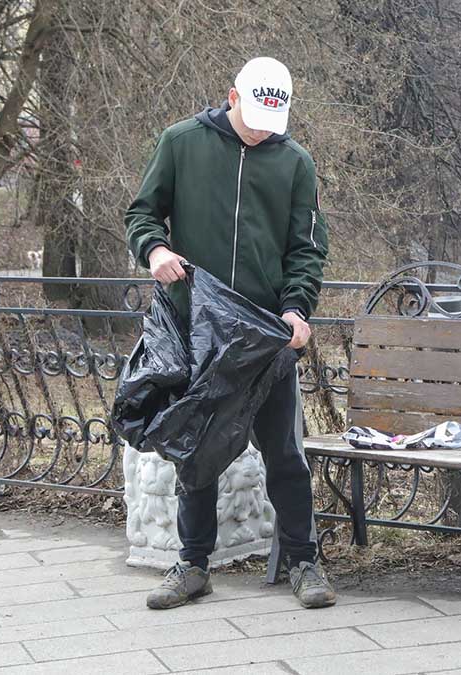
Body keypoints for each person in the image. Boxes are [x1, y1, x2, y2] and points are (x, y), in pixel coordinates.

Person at [125, 57, 334, 611]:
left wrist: (297, 308)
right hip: (198, 328)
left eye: (273, 122)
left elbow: (307, 248)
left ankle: (303, 561)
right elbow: (142, 214)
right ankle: (193, 565)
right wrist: (155, 250)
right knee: (196, 450)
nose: (263, 130)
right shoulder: (181, 143)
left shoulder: (295, 163)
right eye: (256, 117)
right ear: (233, 97)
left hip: (266, 334)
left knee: (284, 452)